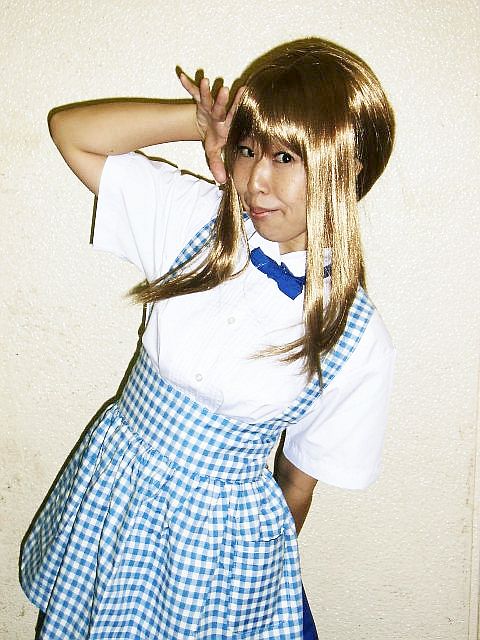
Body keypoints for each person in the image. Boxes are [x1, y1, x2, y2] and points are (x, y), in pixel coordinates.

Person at [20, 37, 395, 639]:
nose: (256, 180)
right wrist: (194, 122)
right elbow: (72, 132)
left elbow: (297, 484)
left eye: (286, 157)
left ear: (344, 167)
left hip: (222, 551)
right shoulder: (195, 219)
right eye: (248, 150)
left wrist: (242, 582)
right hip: (116, 502)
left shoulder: (353, 334)